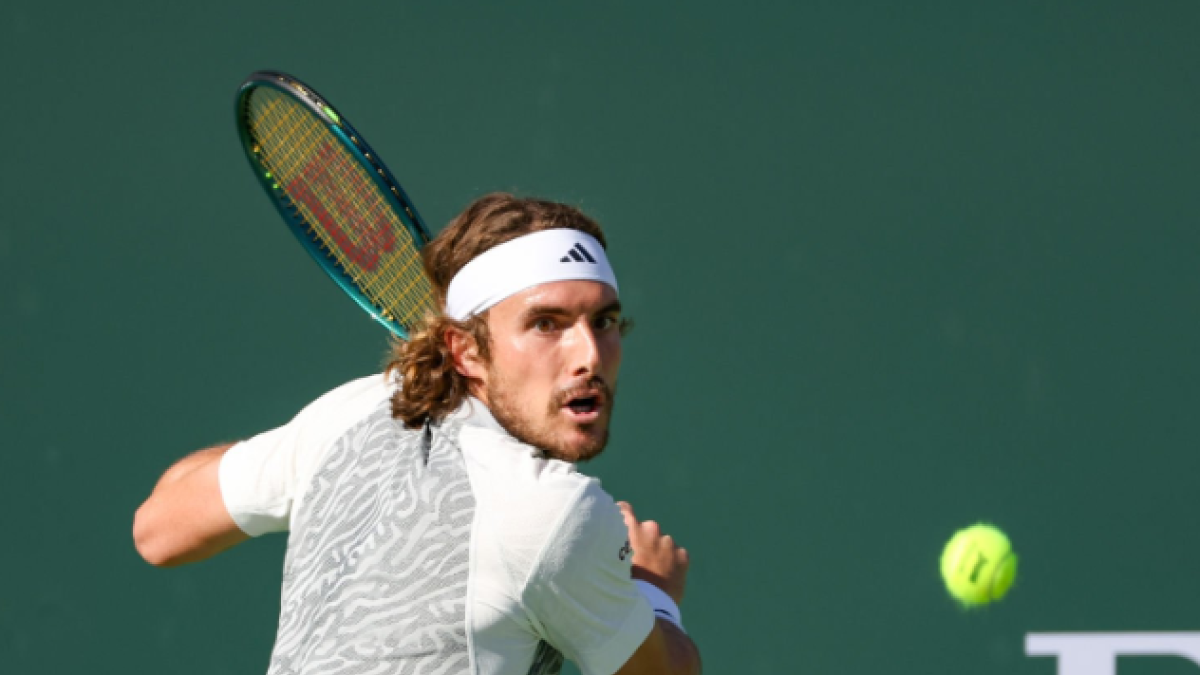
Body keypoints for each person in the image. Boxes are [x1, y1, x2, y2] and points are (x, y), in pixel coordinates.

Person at [133, 193, 702, 675]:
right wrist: (651, 592)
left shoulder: (350, 414)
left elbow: (159, 530)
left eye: (603, 321)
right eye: (546, 324)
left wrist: (296, 451)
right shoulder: (553, 512)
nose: (590, 355)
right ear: (466, 351)